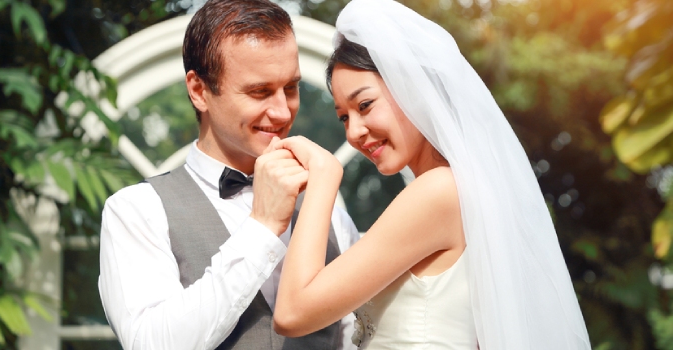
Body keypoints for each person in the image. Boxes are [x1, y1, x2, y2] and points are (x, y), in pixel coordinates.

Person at [269, 0, 591, 349]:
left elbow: (292, 313)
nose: (354, 132)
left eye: (364, 106)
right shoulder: (458, 190)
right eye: (344, 117)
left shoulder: (439, 191)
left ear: (411, 89)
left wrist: (321, 180)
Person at [97, 0, 360, 349]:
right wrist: (262, 227)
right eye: (259, 91)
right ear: (199, 91)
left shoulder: (332, 219)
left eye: (291, 88)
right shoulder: (136, 211)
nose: (282, 111)